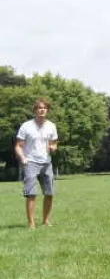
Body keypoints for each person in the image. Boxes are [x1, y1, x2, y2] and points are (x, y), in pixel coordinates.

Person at [15, 98, 59, 229]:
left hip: (46, 163)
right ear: (35, 110)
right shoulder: (26, 126)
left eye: (44, 108)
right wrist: (23, 158)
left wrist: (53, 147)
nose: (42, 110)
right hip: (30, 162)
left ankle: (46, 221)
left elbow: (54, 143)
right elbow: (18, 146)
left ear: (47, 110)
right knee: (31, 194)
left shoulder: (51, 126)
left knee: (49, 193)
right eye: (39, 108)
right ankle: (31, 224)